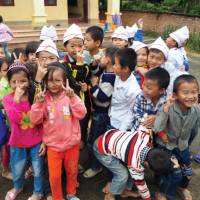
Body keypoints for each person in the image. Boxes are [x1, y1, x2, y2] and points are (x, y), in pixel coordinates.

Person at [30, 62, 86, 200]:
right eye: (49, 80)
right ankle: (57, 197)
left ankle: (71, 193)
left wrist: (73, 97)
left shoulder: (70, 96)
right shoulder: (42, 99)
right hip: (53, 147)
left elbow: (81, 114)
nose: (53, 84)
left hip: (72, 145)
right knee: (54, 176)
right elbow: (35, 120)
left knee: (72, 172)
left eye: (57, 80)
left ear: (65, 81)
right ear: (44, 82)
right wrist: (37, 104)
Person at [93, 126, 175, 200]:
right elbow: (141, 186)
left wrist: (161, 133)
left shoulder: (146, 135)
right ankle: (110, 194)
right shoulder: (135, 165)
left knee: (131, 172)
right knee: (122, 174)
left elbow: (151, 124)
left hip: (110, 136)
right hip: (100, 149)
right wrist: (148, 198)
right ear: (146, 164)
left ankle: (125, 189)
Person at [153, 74, 200, 200]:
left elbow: (194, 130)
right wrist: (166, 109)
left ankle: (181, 187)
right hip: (167, 147)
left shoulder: (196, 111)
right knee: (175, 172)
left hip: (183, 147)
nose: (190, 96)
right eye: (185, 92)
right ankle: (163, 193)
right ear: (174, 95)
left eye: (194, 92)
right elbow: (157, 127)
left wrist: (187, 145)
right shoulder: (169, 108)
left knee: (188, 173)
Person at [3, 62, 45, 200]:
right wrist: (17, 100)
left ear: (29, 81)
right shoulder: (7, 99)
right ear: (9, 82)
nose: (19, 85)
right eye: (14, 81)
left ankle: (38, 192)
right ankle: (18, 186)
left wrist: (44, 140)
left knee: (38, 168)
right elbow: (14, 119)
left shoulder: (35, 96)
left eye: (23, 80)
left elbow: (40, 119)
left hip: (36, 139)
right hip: (17, 140)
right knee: (17, 167)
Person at [83, 47, 118, 178]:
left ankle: (96, 166)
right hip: (99, 112)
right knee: (94, 138)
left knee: (94, 140)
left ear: (108, 60)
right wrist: (95, 64)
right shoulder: (106, 71)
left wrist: (93, 86)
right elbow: (95, 70)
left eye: (102, 56)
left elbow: (103, 97)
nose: (99, 57)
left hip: (101, 113)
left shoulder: (110, 77)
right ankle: (95, 164)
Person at [62, 24, 91, 149]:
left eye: (80, 46)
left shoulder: (85, 62)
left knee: (83, 123)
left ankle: (82, 140)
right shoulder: (63, 64)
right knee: (70, 126)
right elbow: (74, 80)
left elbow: (86, 78)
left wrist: (87, 86)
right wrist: (79, 64)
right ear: (65, 46)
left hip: (83, 101)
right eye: (72, 46)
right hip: (68, 102)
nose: (76, 49)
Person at [109, 48, 141, 131]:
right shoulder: (118, 76)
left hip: (120, 126)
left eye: (116, 65)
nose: (113, 66)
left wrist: (122, 130)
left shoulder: (133, 90)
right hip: (112, 118)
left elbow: (131, 112)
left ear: (125, 69)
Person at [131, 67, 170, 134]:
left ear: (161, 90)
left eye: (149, 88)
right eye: (143, 84)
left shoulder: (166, 101)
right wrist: (149, 119)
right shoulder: (140, 97)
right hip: (138, 132)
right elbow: (136, 113)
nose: (144, 89)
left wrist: (156, 118)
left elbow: (168, 117)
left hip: (156, 134)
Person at [0, 58, 12, 180]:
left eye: (10, 69)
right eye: (5, 70)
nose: (8, 72)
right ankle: (5, 170)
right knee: (5, 146)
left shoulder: (14, 82)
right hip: (5, 122)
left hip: (11, 120)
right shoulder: (2, 87)